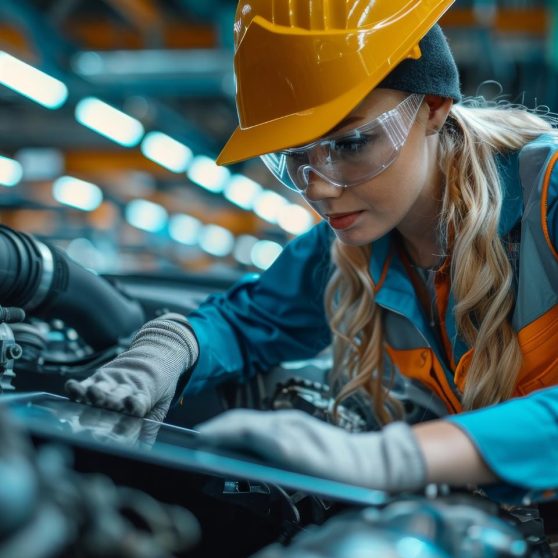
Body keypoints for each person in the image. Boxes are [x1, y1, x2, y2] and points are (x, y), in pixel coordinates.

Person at [66, 0, 558, 502]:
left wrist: (393, 458)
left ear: (433, 106)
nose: (318, 189)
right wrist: (164, 351)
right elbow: (246, 321)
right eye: (295, 157)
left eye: (350, 143)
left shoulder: (550, 198)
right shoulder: (355, 248)